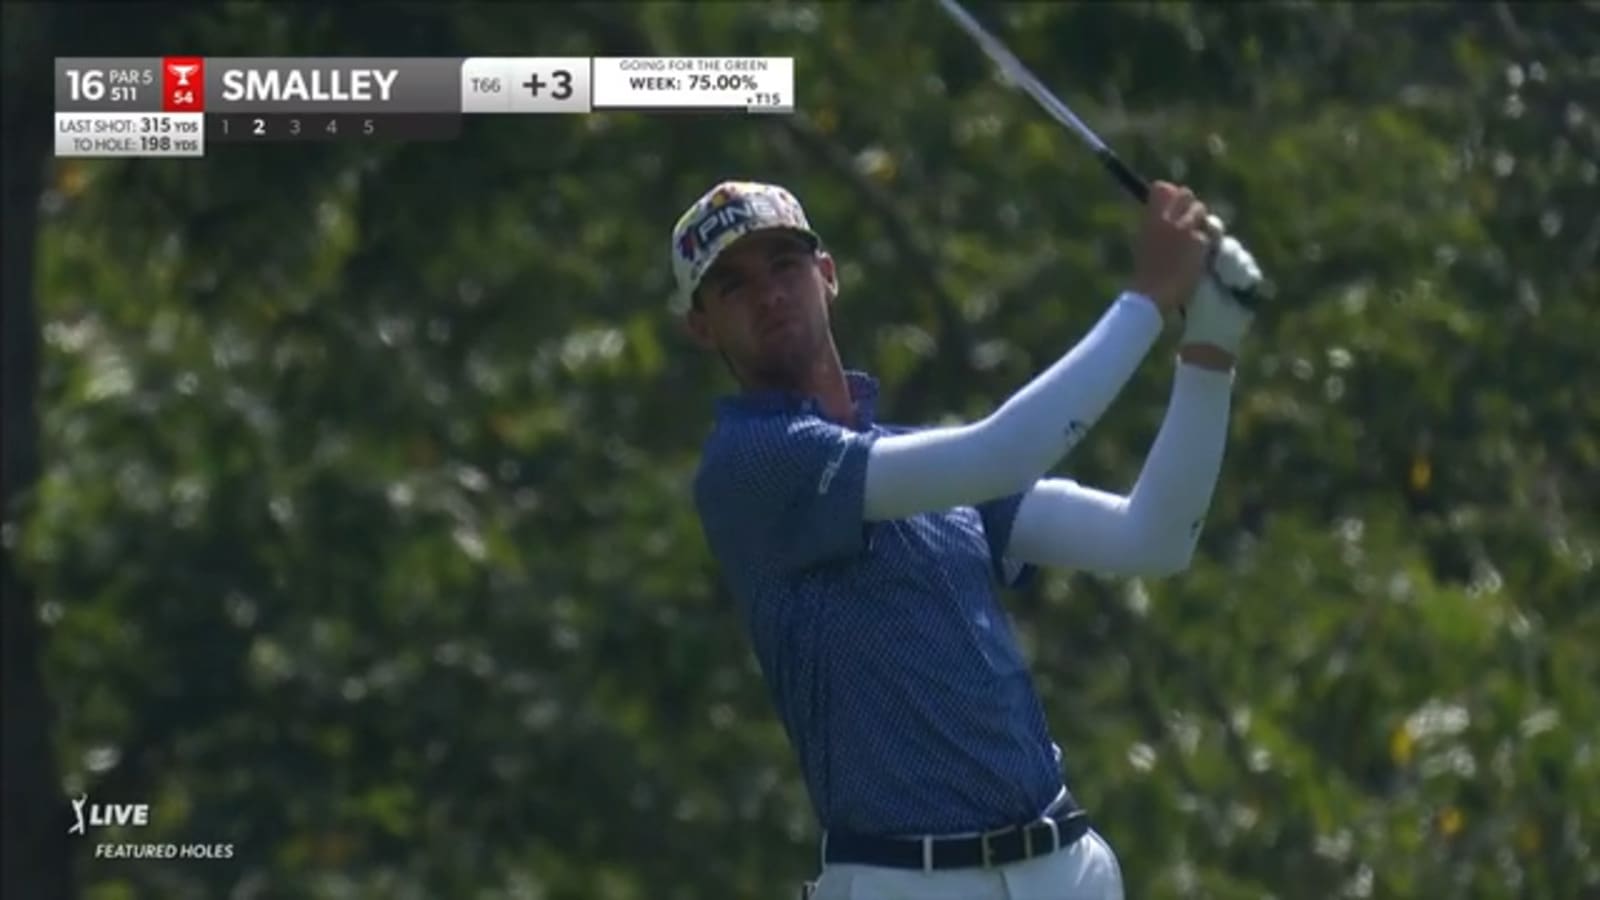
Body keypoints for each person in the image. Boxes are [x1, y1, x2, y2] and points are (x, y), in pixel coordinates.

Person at [671, 179, 1263, 899]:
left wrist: (1210, 347)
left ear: (827, 275)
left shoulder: (921, 466)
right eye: (732, 285)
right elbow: (1004, 454)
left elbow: (1154, 538)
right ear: (700, 326)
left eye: (784, 265)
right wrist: (1145, 300)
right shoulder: (752, 463)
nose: (768, 294)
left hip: (1067, 869)